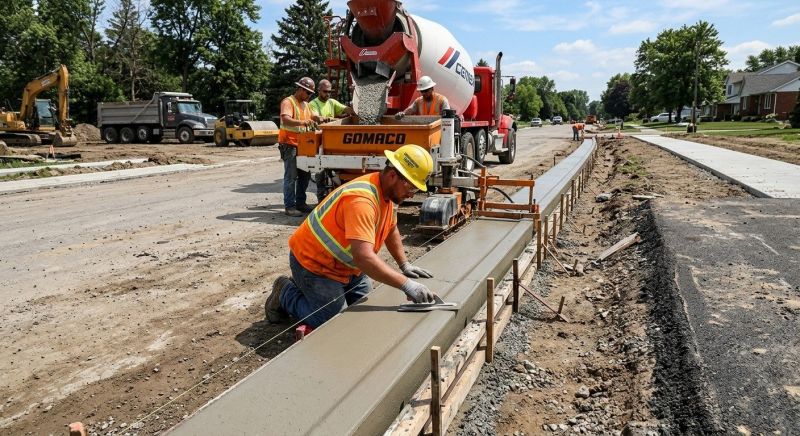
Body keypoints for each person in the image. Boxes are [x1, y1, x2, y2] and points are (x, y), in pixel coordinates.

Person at [265, 144, 437, 328]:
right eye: (411, 187)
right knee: (333, 321)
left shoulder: (387, 193)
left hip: (346, 268)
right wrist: (406, 284)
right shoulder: (362, 201)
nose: (412, 195)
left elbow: (391, 227)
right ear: (393, 175)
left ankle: (330, 293)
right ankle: (285, 292)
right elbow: (363, 257)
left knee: (366, 308)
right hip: (314, 265)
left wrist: (404, 264)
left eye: (416, 190)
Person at [279, 77, 321, 217]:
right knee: (291, 177)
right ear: (300, 89)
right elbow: (285, 119)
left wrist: (318, 118)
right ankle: (289, 207)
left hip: (302, 144)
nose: (309, 96)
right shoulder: (288, 102)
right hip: (289, 143)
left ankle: (300, 203)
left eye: (311, 94)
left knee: (305, 175)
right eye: (308, 93)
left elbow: (312, 116)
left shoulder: (306, 104)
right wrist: (303, 123)